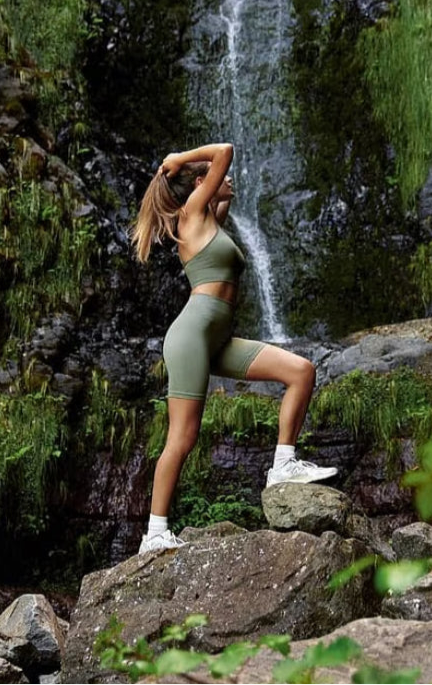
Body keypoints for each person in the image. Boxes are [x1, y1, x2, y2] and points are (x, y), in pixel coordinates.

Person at [130, 142, 337, 554]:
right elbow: (225, 150)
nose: (228, 179)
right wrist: (180, 161)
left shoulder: (211, 220)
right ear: (201, 185)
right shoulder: (191, 213)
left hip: (219, 339)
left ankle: (282, 465)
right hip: (192, 335)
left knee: (301, 371)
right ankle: (154, 534)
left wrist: (207, 183)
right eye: (217, 178)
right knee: (183, 437)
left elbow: (223, 177)